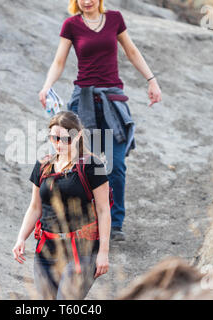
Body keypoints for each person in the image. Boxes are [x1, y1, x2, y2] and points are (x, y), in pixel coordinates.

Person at [38, 0, 162, 241]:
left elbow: (132, 51)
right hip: (83, 101)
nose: (87, 1)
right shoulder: (71, 25)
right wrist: (46, 86)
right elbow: (59, 61)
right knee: (86, 165)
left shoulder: (115, 19)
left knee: (116, 164)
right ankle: (86, 221)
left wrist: (152, 80)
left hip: (112, 101)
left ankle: (115, 224)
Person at [12, 111, 111, 299]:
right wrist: (21, 238)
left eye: (64, 139)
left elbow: (103, 210)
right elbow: (35, 207)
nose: (58, 144)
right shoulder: (43, 165)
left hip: (82, 250)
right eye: (54, 138)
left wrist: (104, 253)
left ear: (78, 136)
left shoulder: (92, 166)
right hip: (47, 250)